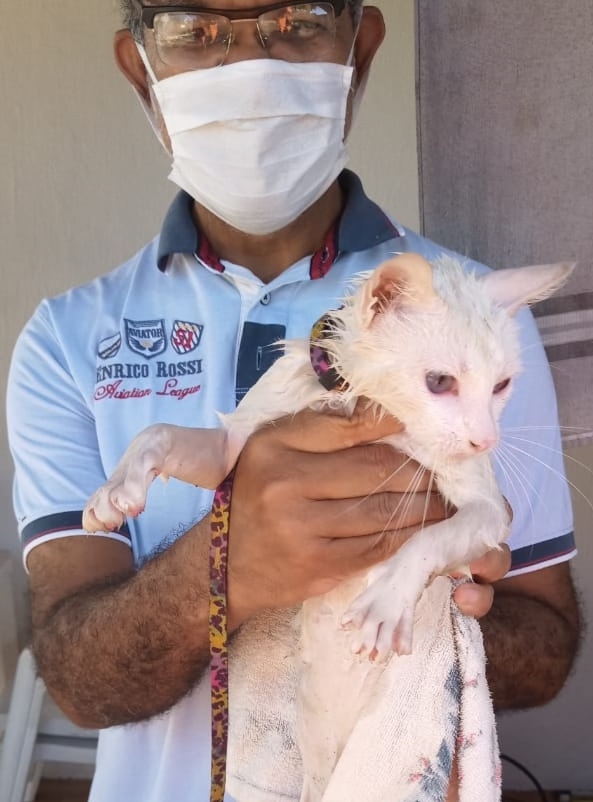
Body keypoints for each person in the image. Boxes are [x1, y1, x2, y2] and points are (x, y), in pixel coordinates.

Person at [6, 2, 581, 801]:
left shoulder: (479, 330)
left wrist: (438, 589)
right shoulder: (67, 339)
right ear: (140, 68)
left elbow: (546, 646)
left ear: (362, 46)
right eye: (193, 28)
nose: (249, 62)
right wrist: (224, 565)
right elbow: (76, 681)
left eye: (298, 18)